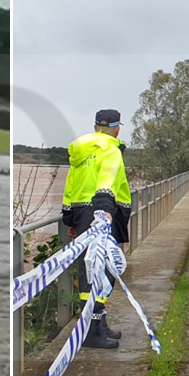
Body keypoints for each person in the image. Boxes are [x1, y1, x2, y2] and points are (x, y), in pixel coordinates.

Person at [61, 109, 132, 349]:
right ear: (117, 128)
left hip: (82, 215)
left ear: (95, 127)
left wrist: (70, 218)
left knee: (89, 270)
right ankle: (93, 331)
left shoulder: (81, 154)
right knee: (104, 270)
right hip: (102, 215)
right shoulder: (111, 149)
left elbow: (71, 187)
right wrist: (105, 210)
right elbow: (107, 180)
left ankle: (96, 325)